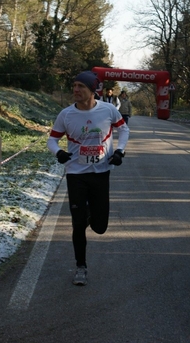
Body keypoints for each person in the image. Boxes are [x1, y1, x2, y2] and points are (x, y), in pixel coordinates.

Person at [47, 71, 129, 286]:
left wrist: (120, 151)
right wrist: (58, 153)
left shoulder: (108, 110)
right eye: (74, 86)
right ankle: (80, 266)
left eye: (80, 86)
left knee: (100, 227)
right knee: (77, 223)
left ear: (93, 90)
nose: (75, 90)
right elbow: (52, 140)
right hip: (76, 174)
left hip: (101, 173)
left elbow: (124, 130)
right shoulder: (66, 114)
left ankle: (91, 212)